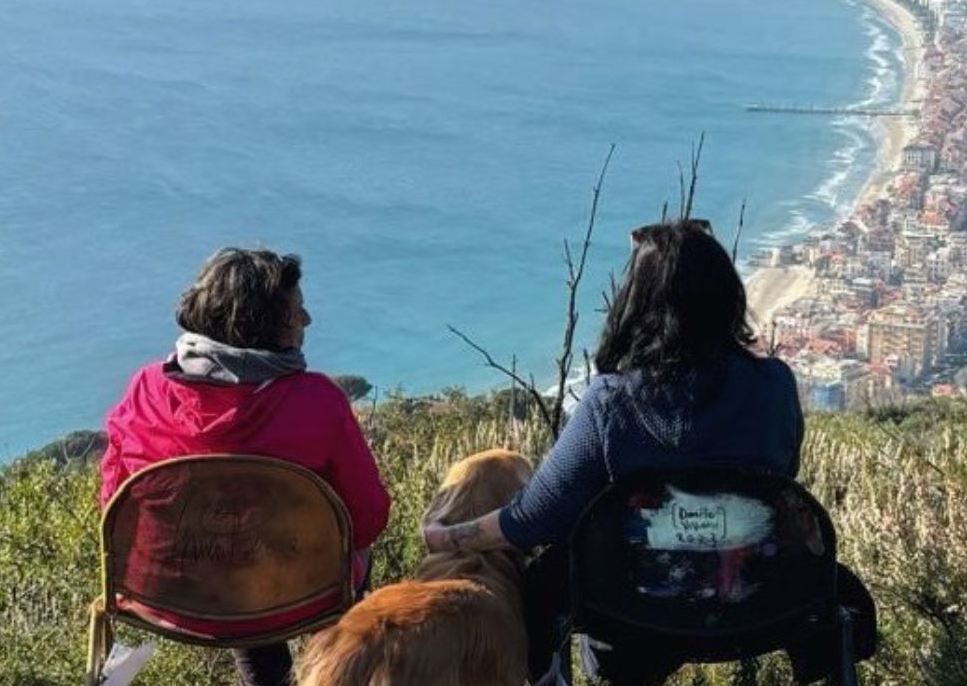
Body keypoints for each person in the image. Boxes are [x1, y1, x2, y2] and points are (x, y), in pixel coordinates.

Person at [420, 218, 874, 684]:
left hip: (631, 613)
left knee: (538, 592)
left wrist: (447, 536)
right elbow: (780, 473)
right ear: (728, 297)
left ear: (634, 306)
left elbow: (534, 520)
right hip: (755, 601)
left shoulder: (611, 401)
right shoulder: (774, 385)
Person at [100, 247, 391, 686]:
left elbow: (111, 505)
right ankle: (335, 671)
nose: (307, 321)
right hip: (301, 598)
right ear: (261, 328)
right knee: (268, 558)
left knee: (236, 561)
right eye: (295, 314)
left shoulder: (144, 390)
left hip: (175, 595)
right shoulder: (316, 400)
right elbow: (368, 520)